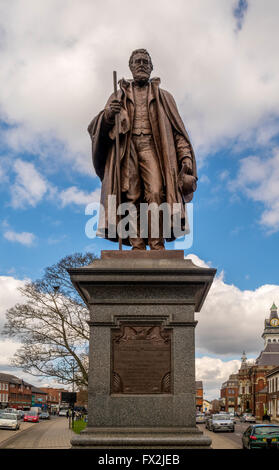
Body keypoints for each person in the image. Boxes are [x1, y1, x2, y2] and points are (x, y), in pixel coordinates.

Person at [88, 49, 197, 250]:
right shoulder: (117, 95)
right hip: (126, 148)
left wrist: (185, 156)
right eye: (137, 61)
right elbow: (97, 128)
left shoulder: (164, 97)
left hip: (153, 148)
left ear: (151, 67)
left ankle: (156, 242)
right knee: (130, 195)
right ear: (130, 67)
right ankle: (137, 245)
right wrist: (108, 115)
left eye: (145, 61)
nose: (141, 64)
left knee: (156, 192)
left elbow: (177, 131)